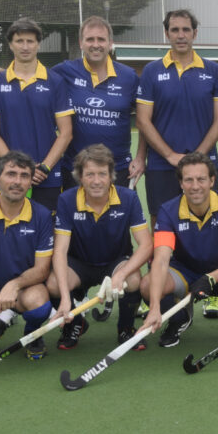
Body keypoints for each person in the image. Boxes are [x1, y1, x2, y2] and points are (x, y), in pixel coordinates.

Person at [140, 152, 218, 348]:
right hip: (184, 271)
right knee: (147, 284)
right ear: (181, 183)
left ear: (212, 180)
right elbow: (161, 260)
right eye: (188, 180)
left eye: (201, 179)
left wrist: (210, 278)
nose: (195, 186)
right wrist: (154, 308)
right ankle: (179, 318)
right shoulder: (168, 211)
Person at [47, 144, 152, 349]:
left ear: (111, 175)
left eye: (102, 174)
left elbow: (146, 244)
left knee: (132, 279)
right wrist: (65, 298)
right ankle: (75, 324)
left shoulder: (128, 198)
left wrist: (121, 274)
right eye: (90, 174)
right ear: (80, 177)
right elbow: (59, 251)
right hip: (79, 264)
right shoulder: (66, 200)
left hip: (115, 262)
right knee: (53, 284)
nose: (96, 181)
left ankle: (126, 329)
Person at [136, 9, 218, 221]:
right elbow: (142, 120)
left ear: (195, 33)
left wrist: (197, 158)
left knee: (208, 221)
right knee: (161, 222)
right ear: (166, 34)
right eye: (175, 30)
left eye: (186, 30)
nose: (181, 35)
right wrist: (170, 155)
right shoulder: (151, 71)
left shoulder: (213, 70)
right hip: (161, 164)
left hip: (204, 162)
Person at [53, 15, 146, 189]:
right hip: (76, 169)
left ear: (110, 43)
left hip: (119, 169)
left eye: (101, 39)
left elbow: (145, 121)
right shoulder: (65, 71)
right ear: (81, 43)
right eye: (90, 39)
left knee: (122, 208)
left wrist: (140, 157)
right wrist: (2, 73)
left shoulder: (129, 77)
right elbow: (32, 76)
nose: (96, 44)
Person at [0, 18, 74, 211]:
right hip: (7, 174)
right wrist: (16, 167)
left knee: (46, 227)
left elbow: (66, 133)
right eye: (19, 41)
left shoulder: (55, 82)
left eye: (30, 41)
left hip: (45, 176)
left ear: (38, 44)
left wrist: (44, 167)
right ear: (10, 44)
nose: (25, 46)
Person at [0, 151, 54, 360]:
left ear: (30, 182)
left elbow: (42, 269)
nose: (17, 182)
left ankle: (32, 335)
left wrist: (14, 285)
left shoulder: (42, 215)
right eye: (11, 174)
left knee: (39, 304)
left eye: (24, 176)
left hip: (24, 288)